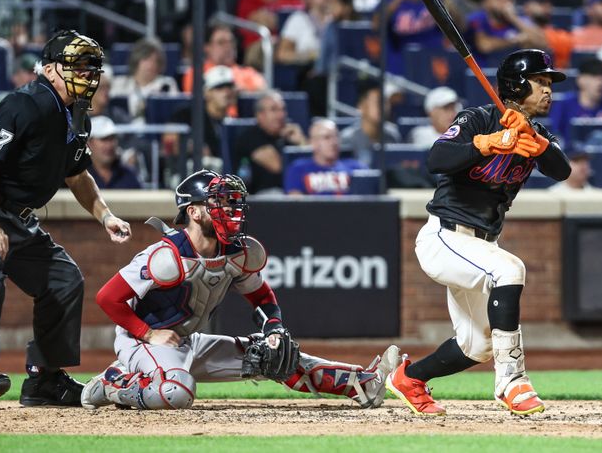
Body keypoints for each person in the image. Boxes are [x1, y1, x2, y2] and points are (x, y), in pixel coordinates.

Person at [0, 30, 132, 411]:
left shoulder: (76, 114)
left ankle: (45, 381)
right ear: (49, 69)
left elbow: (77, 175)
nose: (86, 73)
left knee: (63, 279)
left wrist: (105, 215)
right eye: (76, 64)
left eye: (90, 65)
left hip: (20, 218)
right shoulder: (26, 103)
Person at [80, 170, 400, 411]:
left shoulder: (238, 252)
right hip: (143, 341)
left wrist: (273, 327)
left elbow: (261, 298)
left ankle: (363, 383)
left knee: (273, 357)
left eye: (230, 200)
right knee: (176, 393)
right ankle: (116, 382)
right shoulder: (166, 256)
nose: (229, 208)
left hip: (187, 340)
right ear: (193, 211)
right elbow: (108, 298)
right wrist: (148, 334)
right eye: (217, 202)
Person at [387, 49, 570, 417]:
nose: (548, 90)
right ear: (517, 85)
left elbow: (561, 171)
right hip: (445, 237)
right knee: (509, 270)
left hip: (482, 243)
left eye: (549, 83)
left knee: (475, 346)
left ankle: (408, 377)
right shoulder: (478, 118)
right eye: (541, 82)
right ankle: (511, 381)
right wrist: (487, 143)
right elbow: (437, 160)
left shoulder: (536, 134)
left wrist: (539, 144)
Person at [236, 0, 304, 68]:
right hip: (259, 48)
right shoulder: (249, 0)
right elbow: (265, 22)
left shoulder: (292, 0)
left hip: (292, 46)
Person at [233, 92, 307, 194]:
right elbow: (278, 167)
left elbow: (312, 166)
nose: (281, 115)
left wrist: (301, 142)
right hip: (263, 195)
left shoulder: (290, 136)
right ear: (260, 115)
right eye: (274, 109)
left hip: (292, 191)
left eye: (283, 109)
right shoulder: (250, 137)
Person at [165, 65, 236, 170]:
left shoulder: (233, 122)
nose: (226, 92)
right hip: (187, 173)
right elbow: (169, 144)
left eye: (229, 87)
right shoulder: (187, 113)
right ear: (207, 92)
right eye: (219, 88)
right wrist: (193, 147)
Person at [466, 0, 547, 63]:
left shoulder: (518, 20)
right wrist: (515, 41)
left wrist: (513, 18)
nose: (505, 1)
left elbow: (542, 42)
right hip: (486, 70)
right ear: (487, 2)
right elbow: (485, 46)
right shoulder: (478, 19)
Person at [284, 118, 366, 195]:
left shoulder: (357, 168)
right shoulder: (298, 169)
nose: (334, 142)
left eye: (336, 136)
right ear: (313, 142)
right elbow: (295, 204)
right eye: (327, 137)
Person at [109, 37, 179, 123]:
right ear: (136, 60)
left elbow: (173, 115)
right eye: (146, 59)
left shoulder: (166, 84)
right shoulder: (119, 83)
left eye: (155, 61)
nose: (150, 65)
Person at [182, 23, 267, 93]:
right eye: (221, 42)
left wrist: (242, 91)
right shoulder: (196, 73)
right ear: (207, 47)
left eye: (231, 42)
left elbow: (262, 92)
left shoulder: (248, 74)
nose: (228, 47)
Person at [547, 57, 602, 145]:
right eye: (594, 76)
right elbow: (553, 135)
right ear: (580, 80)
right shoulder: (564, 105)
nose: (601, 82)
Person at [340, 83, 402, 166]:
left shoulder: (393, 135)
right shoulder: (347, 139)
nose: (383, 107)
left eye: (385, 102)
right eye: (378, 102)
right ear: (362, 106)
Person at [276, 0, 328, 66]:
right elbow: (282, 54)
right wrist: (309, 56)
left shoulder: (335, 18)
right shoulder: (298, 19)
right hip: (307, 70)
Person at [86, 116, 142, 189]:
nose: (109, 145)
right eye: (104, 139)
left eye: (112, 139)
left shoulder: (129, 175)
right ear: (89, 143)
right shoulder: (78, 176)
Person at [0, 53, 38, 117]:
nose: (34, 77)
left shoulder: (45, 102)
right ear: (15, 76)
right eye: (30, 72)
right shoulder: (1, 102)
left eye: (37, 73)